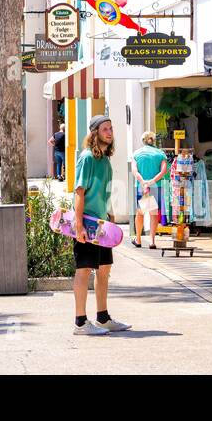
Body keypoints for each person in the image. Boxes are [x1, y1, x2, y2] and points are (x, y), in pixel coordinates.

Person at [73, 116, 130, 336]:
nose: (109, 132)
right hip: (87, 222)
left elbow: (105, 191)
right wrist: (79, 225)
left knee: (104, 269)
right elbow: (79, 192)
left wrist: (111, 214)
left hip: (102, 224)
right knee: (84, 270)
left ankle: (103, 318)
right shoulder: (87, 158)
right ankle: (80, 322)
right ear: (95, 133)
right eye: (105, 129)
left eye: (111, 128)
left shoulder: (105, 160)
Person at [130, 132, 168, 249]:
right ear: (153, 140)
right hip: (156, 186)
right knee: (153, 213)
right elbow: (163, 171)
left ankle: (138, 239)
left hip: (141, 187)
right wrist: (151, 182)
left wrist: (144, 183)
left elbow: (134, 171)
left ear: (143, 141)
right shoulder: (160, 154)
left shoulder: (136, 154)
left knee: (140, 213)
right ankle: (152, 241)